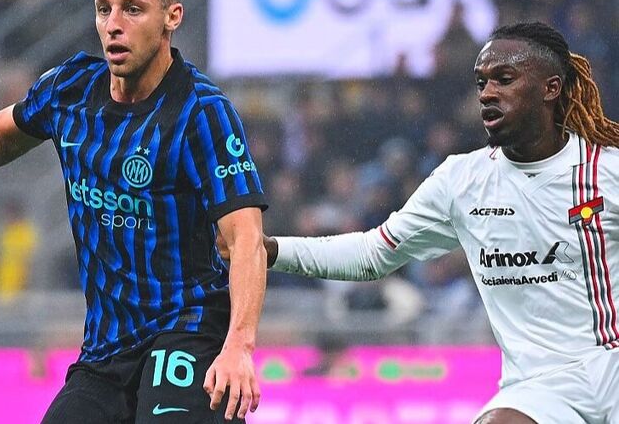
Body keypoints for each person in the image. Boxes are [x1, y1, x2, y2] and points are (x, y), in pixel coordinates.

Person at [0, 0, 268, 422]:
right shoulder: (69, 89)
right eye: (104, 9)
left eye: (133, 9)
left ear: (172, 17)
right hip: (106, 348)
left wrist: (239, 347)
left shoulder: (202, 112)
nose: (113, 24)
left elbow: (246, 237)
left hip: (188, 330)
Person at [220, 22, 619, 423]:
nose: (487, 93)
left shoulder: (608, 173)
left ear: (551, 88)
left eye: (504, 79)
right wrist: (271, 250)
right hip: (539, 391)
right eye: (481, 83)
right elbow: (372, 254)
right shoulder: (462, 182)